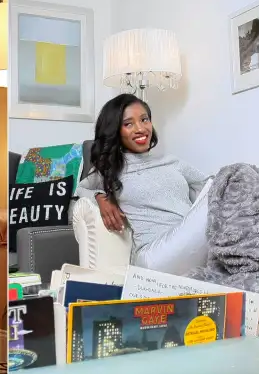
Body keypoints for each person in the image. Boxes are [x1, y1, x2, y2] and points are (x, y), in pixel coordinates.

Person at [76, 93, 211, 275]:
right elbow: (80, 190)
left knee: (228, 186)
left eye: (144, 120)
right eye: (128, 124)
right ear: (115, 130)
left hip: (186, 245)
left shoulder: (171, 162)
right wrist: (100, 197)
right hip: (153, 256)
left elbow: (210, 188)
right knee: (235, 179)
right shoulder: (111, 169)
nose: (140, 129)